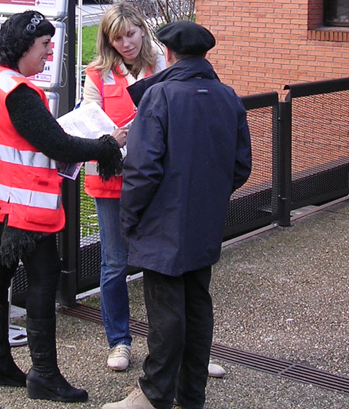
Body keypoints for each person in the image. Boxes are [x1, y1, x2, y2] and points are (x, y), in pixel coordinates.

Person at [0, 9, 127, 404]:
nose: (48, 53)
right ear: (25, 45)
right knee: (43, 280)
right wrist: (107, 145)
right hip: (19, 207)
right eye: (44, 44)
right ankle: (43, 374)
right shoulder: (20, 92)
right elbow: (56, 144)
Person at [103, 21, 252, 409]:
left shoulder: (161, 96)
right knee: (197, 306)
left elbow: (143, 169)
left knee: (166, 313)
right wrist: (208, 197)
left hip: (161, 223)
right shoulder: (227, 96)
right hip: (204, 220)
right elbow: (241, 166)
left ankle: (154, 395)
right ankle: (191, 395)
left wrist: (130, 218)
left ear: (168, 54)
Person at [81, 2, 164, 372]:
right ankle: (119, 341)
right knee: (114, 262)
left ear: (142, 30)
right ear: (108, 40)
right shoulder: (97, 74)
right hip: (111, 177)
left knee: (161, 263)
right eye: (117, 37)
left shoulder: (159, 66)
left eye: (130, 34)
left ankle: (167, 342)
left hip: (152, 178)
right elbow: (89, 118)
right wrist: (113, 136)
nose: (126, 43)